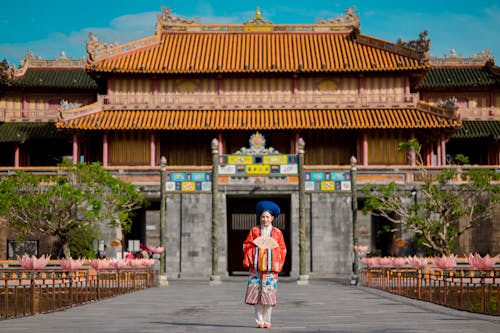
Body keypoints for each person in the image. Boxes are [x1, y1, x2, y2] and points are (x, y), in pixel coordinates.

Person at [242, 200, 287, 329]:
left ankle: (267, 321)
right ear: (259, 217)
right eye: (263, 216)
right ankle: (259, 321)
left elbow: (283, 249)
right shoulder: (254, 231)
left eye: (267, 217)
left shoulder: (278, 233)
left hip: (270, 270)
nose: (265, 219)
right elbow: (246, 245)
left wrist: (272, 253)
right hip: (256, 269)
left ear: (272, 218)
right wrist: (255, 250)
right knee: (256, 295)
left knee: (268, 295)